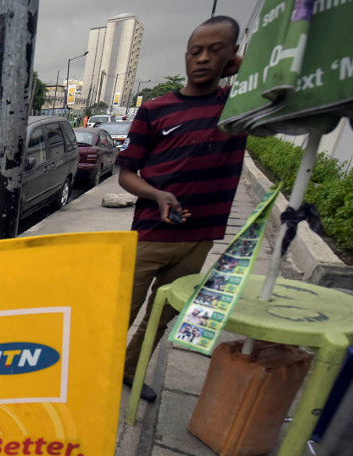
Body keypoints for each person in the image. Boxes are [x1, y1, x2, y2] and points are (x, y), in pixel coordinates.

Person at [118, 15, 246, 402]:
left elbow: (282, 86)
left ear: (232, 57)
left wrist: (244, 71)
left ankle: (130, 370)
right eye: (196, 51)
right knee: (119, 312)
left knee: (163, 312)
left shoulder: (238, 107)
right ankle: (94, 371)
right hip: (150, 235)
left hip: (199, 237)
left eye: (215, 50)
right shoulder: (156, 110)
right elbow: (126, 173)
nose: (203, 58)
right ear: (185, 57)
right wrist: (157, 194)